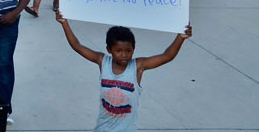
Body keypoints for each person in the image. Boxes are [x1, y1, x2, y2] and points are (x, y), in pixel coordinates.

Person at [56, 12, 192, 131]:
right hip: (102, 128)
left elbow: (167, 56)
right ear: (109, 49)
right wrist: (64, 23)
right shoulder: (103, 61)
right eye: (118, 51)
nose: (124, 55)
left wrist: (180, 37)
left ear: (134, 49)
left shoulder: (138, 66)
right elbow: (77, 46)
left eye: (128, 51)